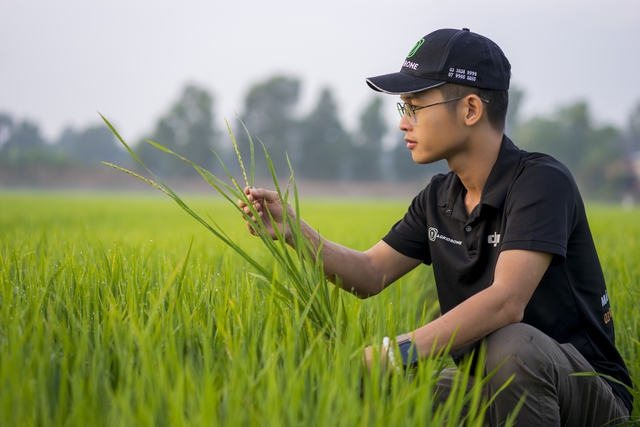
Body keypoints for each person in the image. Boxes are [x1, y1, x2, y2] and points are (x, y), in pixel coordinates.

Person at [238, 28, 633, 425]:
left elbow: (506, 302)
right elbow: (371, 273)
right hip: (486, 379)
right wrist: (293, 229)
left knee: (510, 347)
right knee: (381, 388)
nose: (403, 124)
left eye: (414, 107)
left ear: (471, 109)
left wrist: (396, 353)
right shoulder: (439, 197)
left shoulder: (540, 182)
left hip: (586, 390)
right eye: (402, 109)